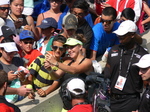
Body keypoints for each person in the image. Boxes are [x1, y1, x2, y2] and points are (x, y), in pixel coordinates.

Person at [104, 20, 148, 112]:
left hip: (130, 100)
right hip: (112, 99)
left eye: (123, 35)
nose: (120, 37)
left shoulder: (143, 54)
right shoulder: (113, 50)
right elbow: (108, 68)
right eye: (119, 35)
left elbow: (146, 80)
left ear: (132, 35)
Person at [0, 38, 32, 103]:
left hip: (23, 99)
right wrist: (6, 78)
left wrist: (23, 78)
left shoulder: (19, 61)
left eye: (13, 52)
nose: (11, 55)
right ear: (1, 50)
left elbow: (28, 82)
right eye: (9, 53)